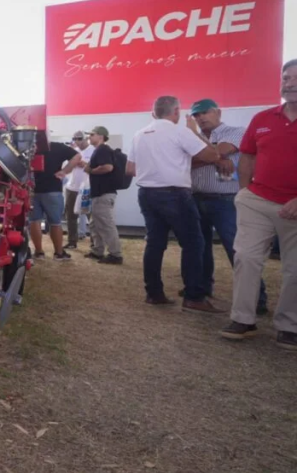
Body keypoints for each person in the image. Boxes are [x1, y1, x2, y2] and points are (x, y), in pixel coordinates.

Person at [221, 59, 297, 350]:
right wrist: (244, 192)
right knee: (246, 258)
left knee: (294, 269)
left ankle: (289, 325)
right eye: (286, 78)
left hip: (295, 205)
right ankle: (243, 319)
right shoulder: (263, 119)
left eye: (295, 78)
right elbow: (248, 156)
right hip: (257, 200)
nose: (289, 83)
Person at [126, 96, 222, 311]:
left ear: (153, 114)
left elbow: (130, 170)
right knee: (194, 243)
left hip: (146, 194)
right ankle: (194, 296)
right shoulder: (180, 131)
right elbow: (213, 155)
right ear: (176, 112)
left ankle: (154, 293)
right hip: (175, 194)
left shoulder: (139, 134)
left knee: (155, 244)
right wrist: (194, 132)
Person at [187, 99, 269, 315]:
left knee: (238, 249)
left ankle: (256, 297)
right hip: (197, 197)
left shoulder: (236, 131)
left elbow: (218, 151)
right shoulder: (195, 139)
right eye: (195, 115)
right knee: (200, 248)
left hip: (226, 200)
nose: (200, 118)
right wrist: (215, 157)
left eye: (204, 113)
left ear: (218, 112)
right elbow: (188, 162)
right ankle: (203, 289)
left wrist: (206, 151)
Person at [30, 139, 82, 260]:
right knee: (55, 222)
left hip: (31, 190)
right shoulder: (57, 146)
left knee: (34, 221)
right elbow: (77, 156)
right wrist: (64, 171)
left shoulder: (27, 147)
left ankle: (39, 252)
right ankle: (59, 253)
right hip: (52, 190)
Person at [83, 127, 123, 264]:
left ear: (101, 136)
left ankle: (115, 254)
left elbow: (107, 167)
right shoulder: (100, 150)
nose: (89, 137)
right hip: (100, 194)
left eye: (92, 134)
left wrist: (91, 171)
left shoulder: (102, 150)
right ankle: (97, 251)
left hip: (103, 194)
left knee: (106, 224)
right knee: (95, 224)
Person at [64, 130, 94, 250]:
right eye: (75, 139)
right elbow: (66, 169)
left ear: (86, 138)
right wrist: (72, 164)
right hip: (72, 186)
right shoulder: (73, 151)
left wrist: (85, 165)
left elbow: (98, 167)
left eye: (79, 138)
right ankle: (72, 241)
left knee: (91, 215)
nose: (77, 141)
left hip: (87, 187)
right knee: (70, 216)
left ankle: (95, 243)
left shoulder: (93, 150)